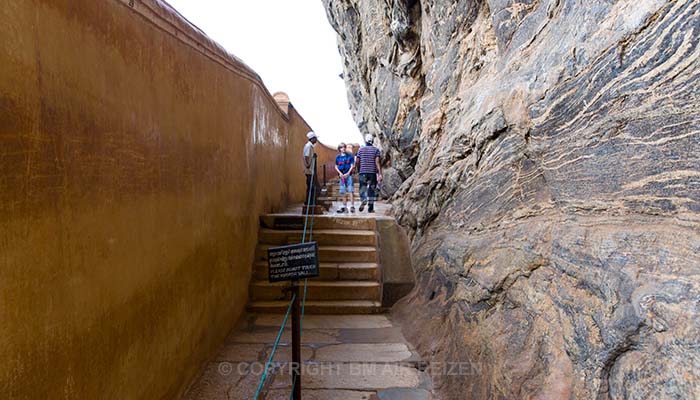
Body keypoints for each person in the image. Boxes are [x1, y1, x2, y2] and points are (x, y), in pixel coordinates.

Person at [355, 134, 382, 213]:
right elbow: (377, 162)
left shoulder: (361, 150)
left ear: (365, 141)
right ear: (372, 141)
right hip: (372, 173)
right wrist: (380, 174)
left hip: (363, 172)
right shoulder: (376, 150)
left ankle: (363, 199)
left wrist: (358, 170)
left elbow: (357, 161)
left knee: (362, 188)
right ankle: (370, 209)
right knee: (371, 190)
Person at [334, 143, 355, 213]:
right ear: (339, 149)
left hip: (348, 176)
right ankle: (345, 206)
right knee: (343, 192)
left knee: (350, 190)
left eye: (344, 147)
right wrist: (340, 173)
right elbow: (336, 166)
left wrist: (348, 173)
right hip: (342, 176)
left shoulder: (349, 156)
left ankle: (352, 206)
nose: (343, 149)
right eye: (342, 148)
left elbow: (352, 165)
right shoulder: (338, 157)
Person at [303, 131, 319, 206]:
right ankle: (309, 202)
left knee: (311, 187)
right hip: (309, 171)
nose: (316, 140)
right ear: (312, 139)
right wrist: (307, 164)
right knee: (311, 187)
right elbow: (306, 156)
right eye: (315, 138)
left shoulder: (311, 147)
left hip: (311, 171)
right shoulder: (308, 146)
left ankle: (311, 202)